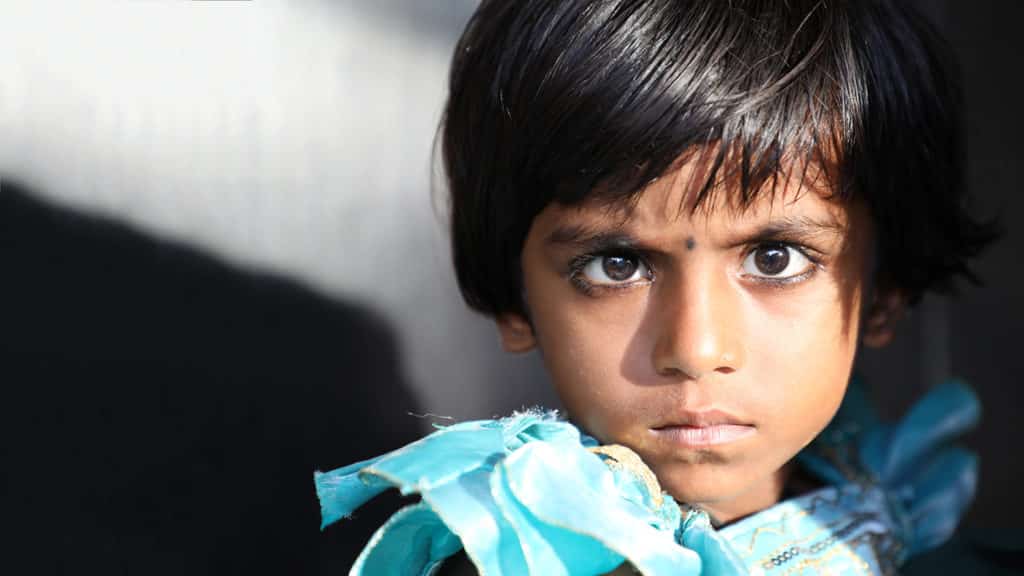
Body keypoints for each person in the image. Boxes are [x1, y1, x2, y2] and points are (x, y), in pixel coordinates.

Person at [315, 1, 997, 573]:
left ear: (884, 292)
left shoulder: (908, 525)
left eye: (774, 258)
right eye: (616, 265)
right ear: (512, 296)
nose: (695, 348)